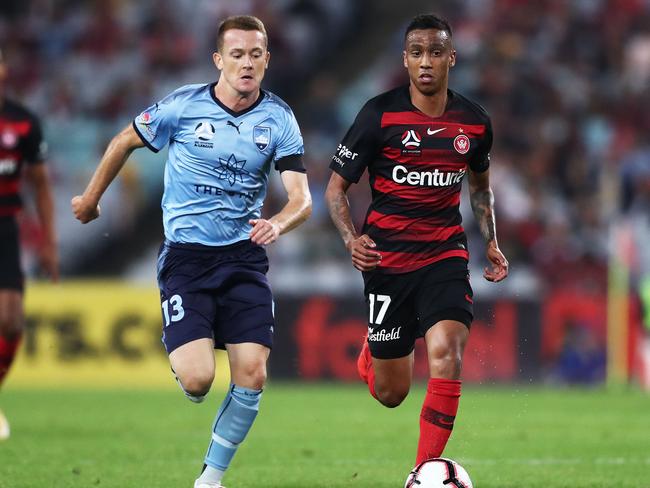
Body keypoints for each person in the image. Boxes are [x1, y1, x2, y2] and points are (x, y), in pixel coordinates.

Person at [72, 15, 311, 488]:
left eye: (256, 54)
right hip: (187, 259)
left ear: (267, 59)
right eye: (237, 54)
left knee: (253, 372)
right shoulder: (183, 106)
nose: (247, 64)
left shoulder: (279, 118)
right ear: (218, 60)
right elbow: (124, 139)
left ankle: (210, 479)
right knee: (199, 380)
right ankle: (188, 359)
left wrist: (277, 223)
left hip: (244, 258)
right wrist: (91, 199)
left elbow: (301, 199)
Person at [325, 14, 508, 467]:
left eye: (435, 52)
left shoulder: (474, 123)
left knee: (448, 352)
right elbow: (334, 189)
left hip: (443, 255)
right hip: (386, 263)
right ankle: (375, 349)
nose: (426, 61)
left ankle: (421, 472)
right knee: (391, 394)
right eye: (416, 52)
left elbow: (480, 187)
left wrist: (491, 240)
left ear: (451, 58)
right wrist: (351, 239)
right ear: (405, 61)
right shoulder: (378, 114)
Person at [0, 48, 58, 441]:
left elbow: (40, 184)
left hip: (5, 224)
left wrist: (49, 243)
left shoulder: (22, 122)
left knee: (11, 320)